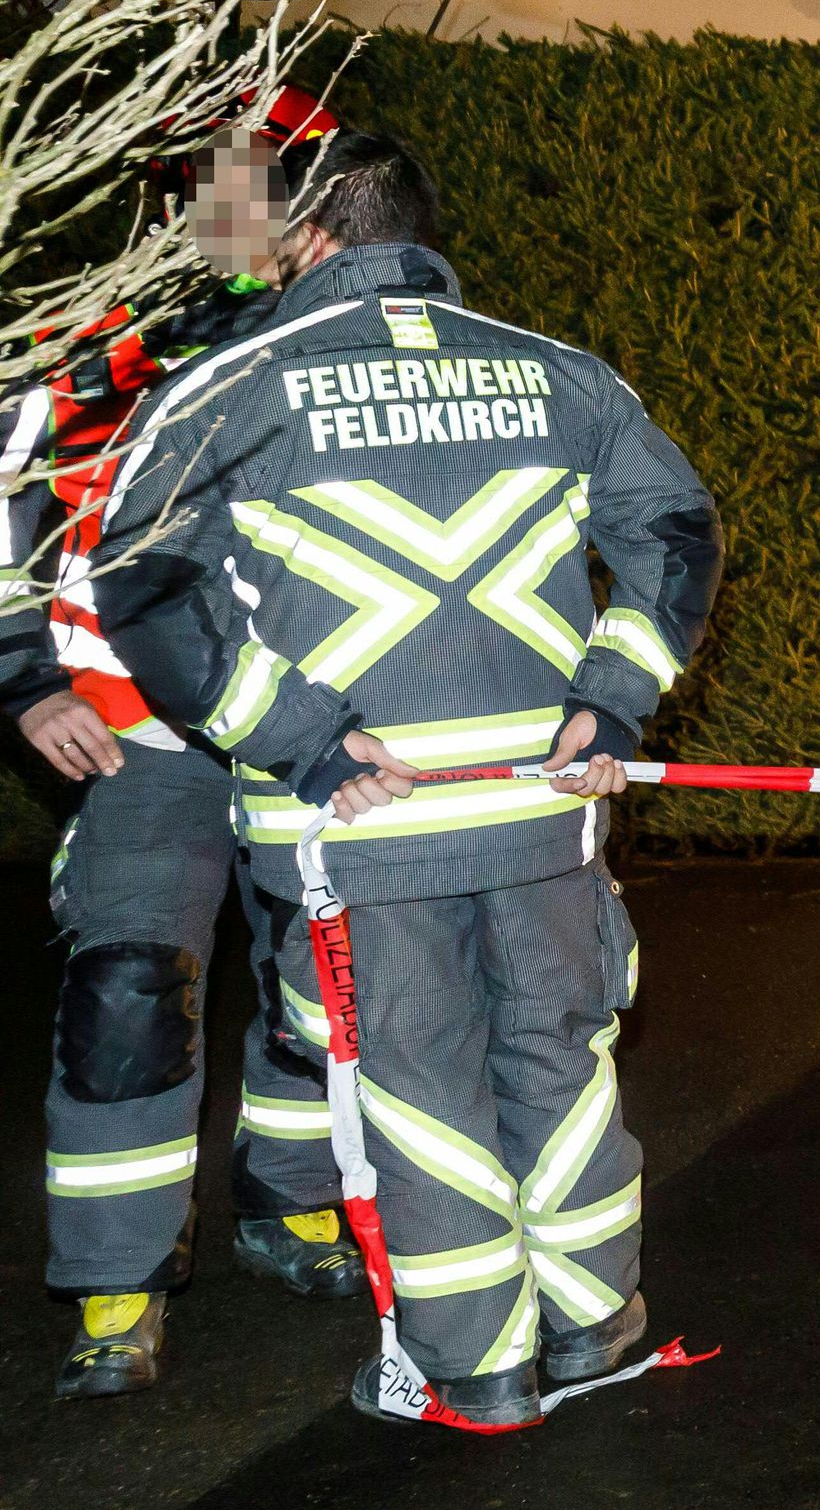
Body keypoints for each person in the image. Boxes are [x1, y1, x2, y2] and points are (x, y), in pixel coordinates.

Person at [89, 128, 722, 1428]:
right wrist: (608, 697)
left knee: (418, 1078)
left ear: (307, 234)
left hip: (360, 822)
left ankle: (475, 1367)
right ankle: (599, 1323)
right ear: (425, 236)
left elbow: (144, 588)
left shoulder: (223, 390)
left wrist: (300, 733)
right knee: (560, 1050)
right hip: (544, 810)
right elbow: (674, 531)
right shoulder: (560, 373)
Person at [5, 99, 360, 1395]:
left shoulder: (344, 339)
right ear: (174, 206)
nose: (245, 215)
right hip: (140, 735)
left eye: (272, 188)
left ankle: (293, 1200)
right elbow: (4, 493)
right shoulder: (94, 345)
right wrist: (22, 672)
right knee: (127, 994)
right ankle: (114, 1292)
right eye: (217, 190)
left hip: (313, 727)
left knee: (327, 981)